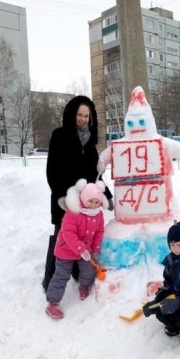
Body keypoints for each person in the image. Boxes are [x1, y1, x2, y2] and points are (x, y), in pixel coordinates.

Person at [42, 95, 113, 292]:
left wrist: (107, 194)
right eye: (79, 115)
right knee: (61, 237)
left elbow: (94, 174)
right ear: (72, 114)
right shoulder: (59, 136)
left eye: (86, 116)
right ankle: (50, 280)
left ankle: (77, 274)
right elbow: (52, 170)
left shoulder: (89, 143)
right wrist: (62, 196)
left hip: (86, 202)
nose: (82, 119)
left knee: (82, 237)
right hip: (64, 199)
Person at [45, 179, 107, 319]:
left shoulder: (98, 214)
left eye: (96, 202)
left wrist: (95, 250)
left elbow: (99, 232)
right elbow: (68, 233)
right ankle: (53, 303)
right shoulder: (74, 212)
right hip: (66, 250)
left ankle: (84, 286)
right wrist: (81, 249)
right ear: (84, 199)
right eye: (90, 201)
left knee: (89, 270)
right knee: (61, 275)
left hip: (86, 250)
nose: (93, 205)